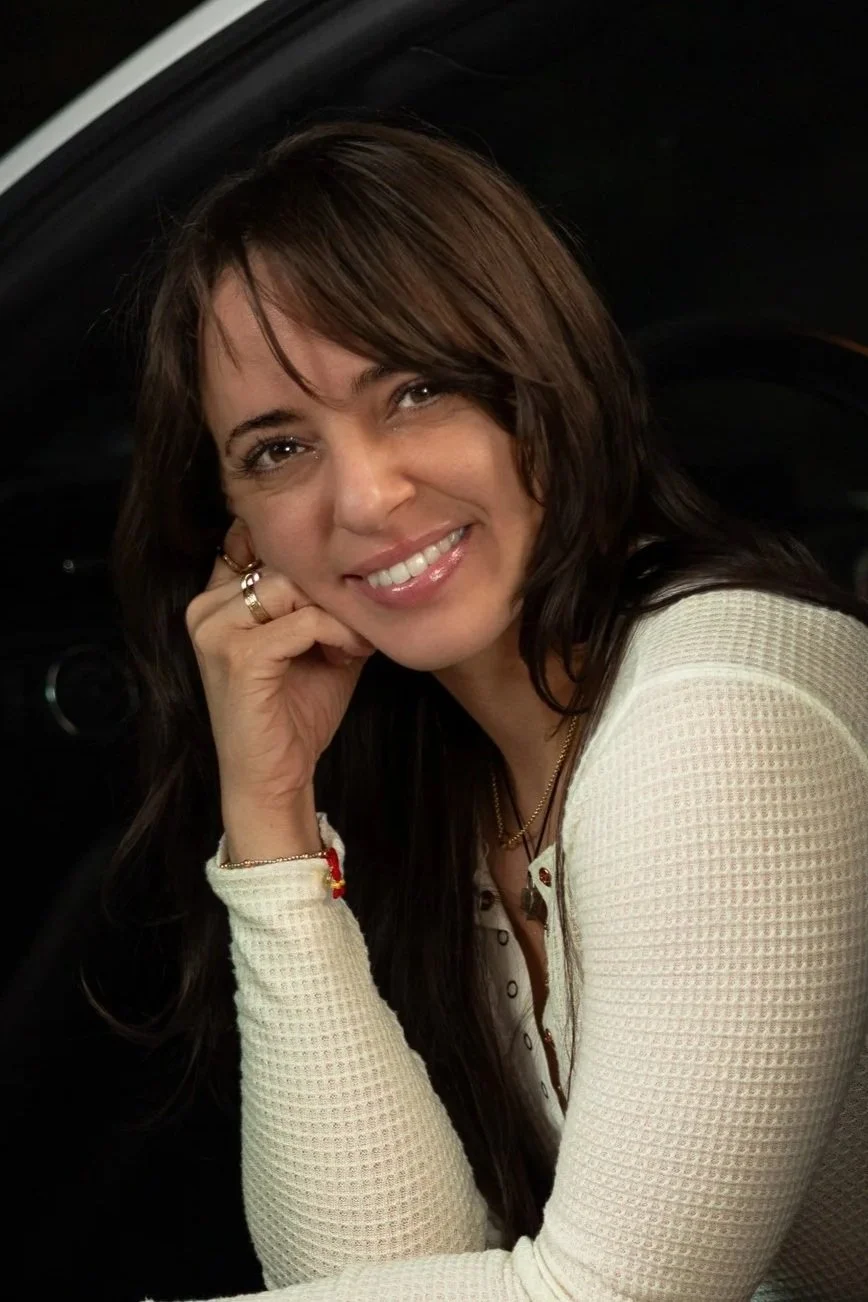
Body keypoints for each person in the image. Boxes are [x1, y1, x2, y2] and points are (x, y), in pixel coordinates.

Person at [110, 117, 868, 1301]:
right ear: (236, 534)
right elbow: (386, 1270)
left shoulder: (716, 717)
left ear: (542, 374)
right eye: (277, 449)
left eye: (415, 390)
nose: (364, 495)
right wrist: (271, 823)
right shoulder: (450, 770)